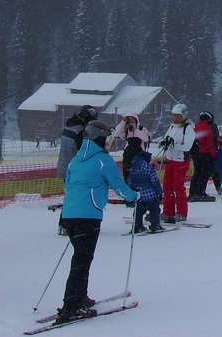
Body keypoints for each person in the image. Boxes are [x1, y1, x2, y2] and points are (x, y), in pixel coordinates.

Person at [57, 121, 138, 324]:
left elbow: (68, 183)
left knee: (81, 257)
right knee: (82, 261)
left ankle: (79, 297)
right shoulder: (103, 160)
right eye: (108, 140)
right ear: (100, 140)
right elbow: (118, 185)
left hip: (70, 215)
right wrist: (134, 196)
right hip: (88, 216)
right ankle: (72, 306)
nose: (109, 144)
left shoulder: (76, 159)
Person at [56, 105, 98, 234]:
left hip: (64, 166)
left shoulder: (69, 127)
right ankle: (68, 224)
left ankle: (64, 224)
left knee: (71, 197)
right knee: (75, 198)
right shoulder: (80, 131)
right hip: (74, 169)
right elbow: (83, 151)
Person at [154, 103, 194, 223]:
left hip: (181, 160)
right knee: (167, 186)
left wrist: (174, 145)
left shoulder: (188, 128)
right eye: (175, 116)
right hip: (171, 159)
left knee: (178, 186)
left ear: (184, 116)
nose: (176, 119)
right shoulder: (172, 127)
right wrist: (164, 142)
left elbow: (187, 146)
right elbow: (167, 138)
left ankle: (181, 212)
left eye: (178, 116)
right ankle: (168, 211)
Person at [125, 147, 164, 233]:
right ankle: (155, 225)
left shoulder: (132, 169)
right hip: (151, 196)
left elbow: (129, 182)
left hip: (139, 196)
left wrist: (132, 193)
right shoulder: (149, 169)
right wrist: (160, 193)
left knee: (138, 212)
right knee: (154, 210)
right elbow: (155, 182)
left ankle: (137, 225)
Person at [188, 111, 219, 202]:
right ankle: (200, 192)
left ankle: (193, 193)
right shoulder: (208, 128)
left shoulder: (195, 127)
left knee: (196, 173)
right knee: (204, 174)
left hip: (195, 154)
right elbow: (210, 143)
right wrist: (214, 154)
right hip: (205, 154)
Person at [110, 114, 151, 179]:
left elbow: (146, 138)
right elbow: (117, 133)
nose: (131, 122)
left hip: (140, 155)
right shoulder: (126, 131)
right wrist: (123, 122)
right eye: (129, 120)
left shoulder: (141, 129)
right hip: (128, 156)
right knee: (127, 176)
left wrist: (135, 130)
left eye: (133, 119)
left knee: (139, 177)